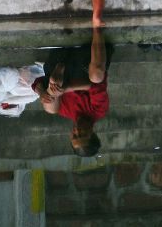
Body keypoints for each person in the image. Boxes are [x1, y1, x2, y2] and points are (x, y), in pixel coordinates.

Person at [32, 28, 113, 157]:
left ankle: (58, 71)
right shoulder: (99, 110)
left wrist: (41, 92)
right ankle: (98, 29)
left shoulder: (64, 111)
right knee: (97, 77)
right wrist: (67, 88)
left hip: (60, 60)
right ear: (92, 132)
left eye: (74, 135)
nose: (76, 131)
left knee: (51, 107)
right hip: (86, 60)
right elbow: (96, 86)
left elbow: (37, 82)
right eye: (81, 134)